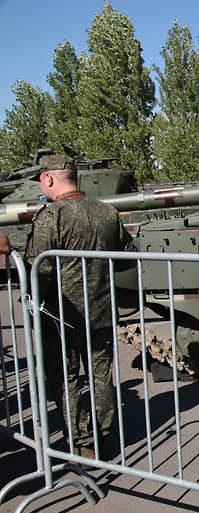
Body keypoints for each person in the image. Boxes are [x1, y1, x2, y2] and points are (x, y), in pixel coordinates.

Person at [0, 154, 135, 460]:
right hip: (101, 310)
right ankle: (104, 436)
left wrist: (31, 301)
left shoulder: (52, 217)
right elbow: (128, 256)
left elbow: (39, 270)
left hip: (62, 316)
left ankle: (82, 441)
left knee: (65, 378)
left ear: (49, 178)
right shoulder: (107, 212)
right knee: (102, 376)